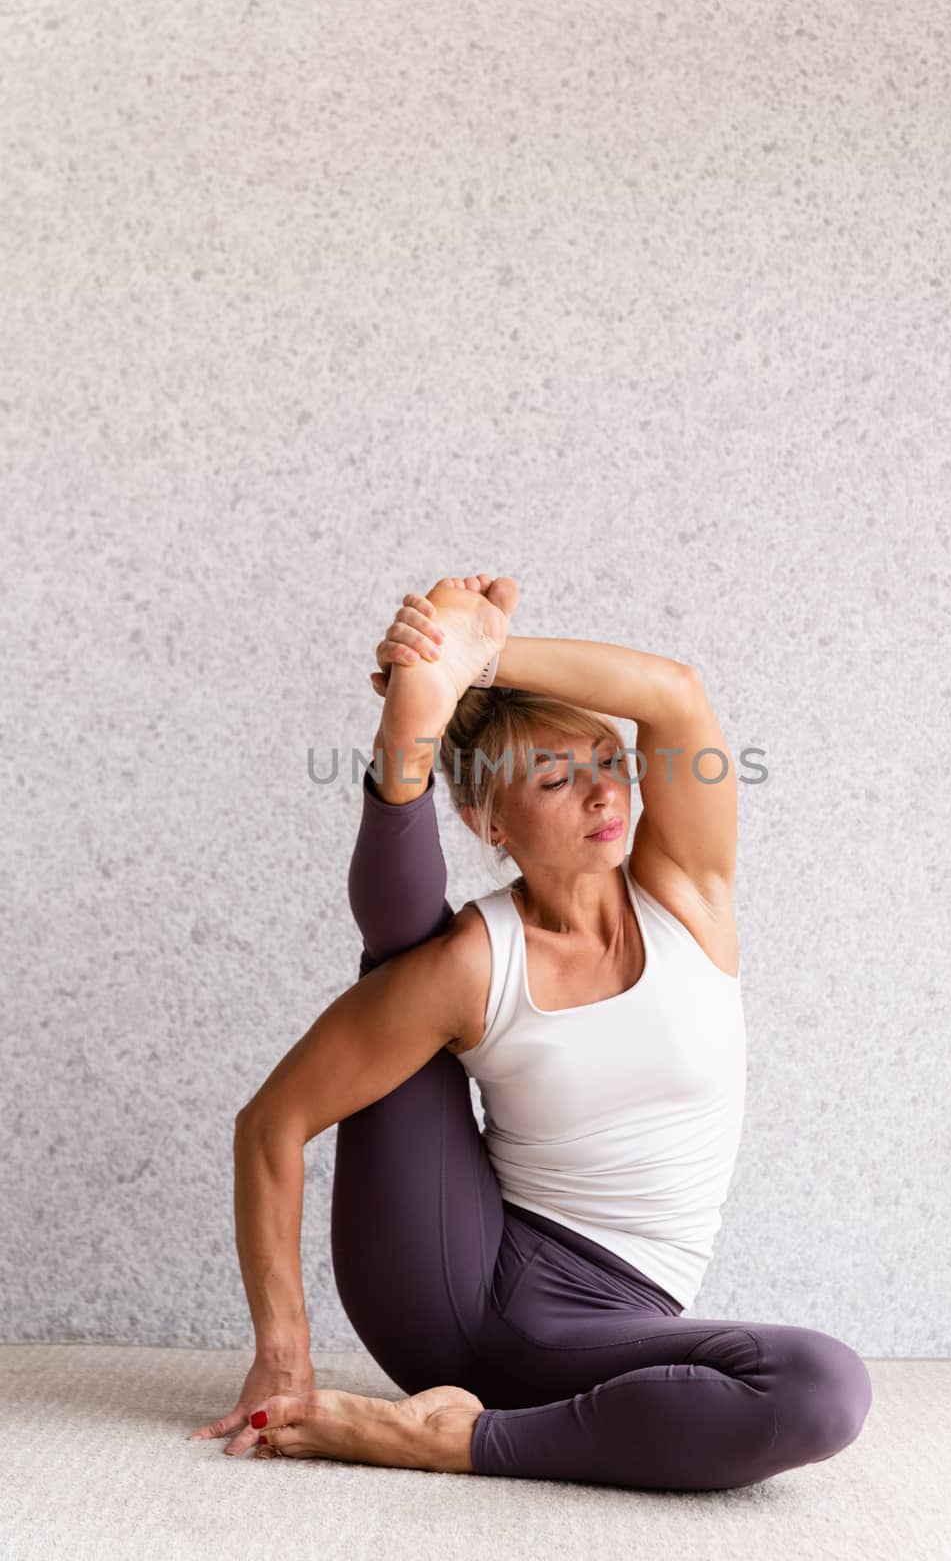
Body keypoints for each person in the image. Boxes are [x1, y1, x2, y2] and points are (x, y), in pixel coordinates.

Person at [190, 574, 872, 1490]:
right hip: (451, 1285)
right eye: (555, 778)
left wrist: (476, 657)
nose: (602, 793)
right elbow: (270, 1122)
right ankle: (408, 741)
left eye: (604, 758)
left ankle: (446, 1438)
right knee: (404, 957)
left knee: (820, 1386)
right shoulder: (476, 961)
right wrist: (283, 1348)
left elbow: (675, 695)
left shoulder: (688, 898)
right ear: (485, 822)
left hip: (618, 1318)